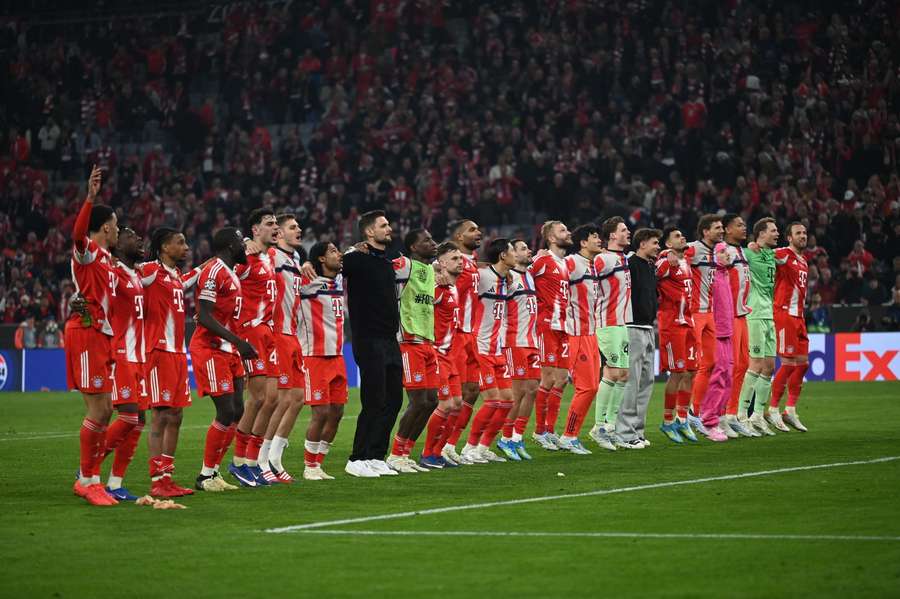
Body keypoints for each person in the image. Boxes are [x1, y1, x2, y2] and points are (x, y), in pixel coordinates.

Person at [66, 166, 120, 506]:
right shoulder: (87, 252)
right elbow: (76, 236)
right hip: (85, 332)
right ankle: (88, 480)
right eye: (114, 225)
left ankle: (90, 476)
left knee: (107, 408)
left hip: (100, 334)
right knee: (99, 410)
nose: (117, 230)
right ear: (104, 227)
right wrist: (89, 198)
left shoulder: (108, 261)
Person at [191, 228, 258, 491]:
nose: (245, 247)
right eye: (242, 242)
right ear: (231, 245)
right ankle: (205, 475)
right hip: (210, 348)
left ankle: (215, 472)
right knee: (226, 410)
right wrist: (239, 342)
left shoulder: (231, 273)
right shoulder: (214, 271)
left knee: (237, 411)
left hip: (229, 350)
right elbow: (205, 316)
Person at [139, 227, 202, 496]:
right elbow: (117, 274)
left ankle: (168, 477)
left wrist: (214, 263)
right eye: (181, 243)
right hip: (158, 351)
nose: (186, 247)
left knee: (176, 415)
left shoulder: (175, 275)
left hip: (177, 353)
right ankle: (157, 481)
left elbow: (191, 277)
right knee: (161, 415)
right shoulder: (149, 270)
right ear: (165, 247)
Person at [343, 210, 403, 478]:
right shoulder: (356, 260)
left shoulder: (385, 262)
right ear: (369, 232)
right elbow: (332, 265)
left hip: (390, 339)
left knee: (393, 399)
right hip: (369, 339)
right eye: (384, 225)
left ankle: (377, 455)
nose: (389, 228)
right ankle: (358, 458)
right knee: (374, 399)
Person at [95, 227, 149, 501]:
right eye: (131, 235)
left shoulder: (137, 274)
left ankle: (115, 483)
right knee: (128, 416)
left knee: (138, 421)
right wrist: (77, 300)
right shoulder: (113, 274)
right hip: (121, 355)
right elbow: (92, 292)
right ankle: (88, 470)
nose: (138, 238)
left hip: (139, 357)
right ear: (117, 246)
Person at [229, 208, 280, 487]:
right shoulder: (245, 258)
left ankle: (252, 461)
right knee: (258, 398)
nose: (275, 227)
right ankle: (238, 462)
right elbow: (223, 276)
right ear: (254, 230)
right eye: (269, 224)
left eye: (276, 223)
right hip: (251, 333)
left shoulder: (270, 256)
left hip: (268, 333)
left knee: (271, 400)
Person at [387, 228, 442, 472]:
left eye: (432, 238)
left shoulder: (430, 269)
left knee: (431, 401)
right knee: (418, 401)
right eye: (426, 240)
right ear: (413, 247)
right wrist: (358, 249)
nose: (433, 243)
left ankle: (406, 453)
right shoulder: (403, 264)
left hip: (427, 341)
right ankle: (395, 455)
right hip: (408, 342)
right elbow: (377, 266)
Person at [460, 238, 515, 463]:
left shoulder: (508, 281)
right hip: (480, 348)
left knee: (508, 401)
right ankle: (469, 447)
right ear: (502, 255)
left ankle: (483, 447)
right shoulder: (482, 277)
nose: (516, 255)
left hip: (498, 349)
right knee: (492, 401)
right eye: (513, 251)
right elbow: (467, 271)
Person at [264, 214, 308, 482]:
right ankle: (261, 458)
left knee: (298, 398)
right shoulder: (271, 256)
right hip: (277, 334)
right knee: (279, 400)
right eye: (292, 227)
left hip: (293, 336)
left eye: (298, 226)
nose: (298, 230)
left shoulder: (295, 260)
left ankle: (275, 458)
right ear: (278, 234)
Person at [298, 242, 347, 480]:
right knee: (320, 413)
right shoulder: (306, 283)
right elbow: (285, 278)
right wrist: (303, 264)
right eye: (333, 251)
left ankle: (319, 463)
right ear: (320, 259)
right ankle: (309, 466)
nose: (338, 254)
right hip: (314, 356)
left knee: (337, 412)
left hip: (337, 356)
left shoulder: (337, 281)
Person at [556, 224, 602, 455]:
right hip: (575, 333)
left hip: (591, 333)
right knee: (585, 387)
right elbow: (547, 271)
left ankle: (569, 435)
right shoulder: (571, 262)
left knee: (592, 388)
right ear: (583, 242)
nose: (599, 240)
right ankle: (568, 436)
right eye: (595, 237)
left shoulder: (593, 266)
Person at [589, 216, 633, 450]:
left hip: (622, 323)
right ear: (612, 235)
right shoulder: (602, 259)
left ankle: (611, 426)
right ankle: (599, 427)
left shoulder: (622, 258)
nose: (628, 233)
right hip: (606, 322)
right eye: (624, 230)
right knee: (613, 372)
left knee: (624, 374)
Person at [441, 220, 484, 458]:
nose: (478, 233)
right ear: (458, 236)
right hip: (454, 336)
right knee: (452, 396)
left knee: (472, 390)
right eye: (472, 230)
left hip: (471, 334)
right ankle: (438, 444)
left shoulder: (473, 263)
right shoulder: (445, 265)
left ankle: (450, 445)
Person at [615, 228, 660, 449]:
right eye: (655, 242)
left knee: (646, 382)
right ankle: (624, 432)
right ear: (642, 244)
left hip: (647, 328)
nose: (658, 246)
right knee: (632, 382)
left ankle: (637, 430)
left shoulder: (649, 266)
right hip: (632, 328)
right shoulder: (630, 264)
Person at [529, 221, 572, 450]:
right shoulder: (542, 260)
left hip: (563, 327)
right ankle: (539, 431)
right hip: (546, 326)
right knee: (547, 379)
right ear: (552, 238)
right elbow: (520, 274)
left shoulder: (564, 263)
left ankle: (550, 430)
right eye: (563, 231)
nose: (568, 233)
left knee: (562, 380)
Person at [422, 242, 465, 465]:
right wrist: (434, 272)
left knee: (457, 403)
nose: (460, 262)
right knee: (445, 405)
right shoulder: (437, 287)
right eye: (454, 259)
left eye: (460, 258)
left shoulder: (453, 286)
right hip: (437, 353)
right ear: (442, 263)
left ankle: (438, 452)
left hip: (450, 355)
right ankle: (428, 453)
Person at [497, 239, 540, 461]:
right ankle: (505, 437)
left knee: (533, 389)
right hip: (514, 340)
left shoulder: (530, 274)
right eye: (523, 249)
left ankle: (517, 436)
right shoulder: (508, 277)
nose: (528, 250)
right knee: (517, 391)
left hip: (532, 341)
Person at [656, 227, 700, 444]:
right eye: (676, 236)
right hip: (673, 324)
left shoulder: (685, 260)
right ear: (667, 244)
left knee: (692, 371)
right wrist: (665, 256)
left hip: (689, 323)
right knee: (677, 373)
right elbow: (650, 271)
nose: (683, 237)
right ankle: (667, 421)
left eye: (683, 234)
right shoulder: (666, 262)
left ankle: (683, 419)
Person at [737, 217, 780, 436]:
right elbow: (730, 252)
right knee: (755, 364)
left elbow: (791, 253)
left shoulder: (773, 254)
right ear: (761, 233)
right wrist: (749, 245)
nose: (777, 233)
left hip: (769, 315)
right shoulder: (748, 253)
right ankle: (741, 415)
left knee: (769, 366)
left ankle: (757, 416)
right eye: (773, 230)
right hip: (753, 315)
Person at [769, 222, 811, 432]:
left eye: (804, 233)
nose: (803, 236)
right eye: (798, 233)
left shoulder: (803, 260)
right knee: (787, 364)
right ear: (789, 237)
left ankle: (790, 410)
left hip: (799, 317)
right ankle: (772, 408)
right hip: (784, 314)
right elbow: (764, 252)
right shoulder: (783, 253)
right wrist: (754, 245)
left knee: (802, 364)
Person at [685, 214, 724, 435]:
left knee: (711, 363)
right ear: (705, 231)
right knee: (695, 365)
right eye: (717, 228)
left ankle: (694, 412)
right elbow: (669, 254)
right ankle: (682, 413)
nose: (721, 231)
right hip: (694, 313)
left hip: (710, 314)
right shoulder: (692, 249)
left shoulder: (716, 252)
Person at [721, 214, 757, 437]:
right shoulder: (723, 250)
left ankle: (732, 414)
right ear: (726, 229)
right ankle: (721, 414)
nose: (744, 228)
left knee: (743, 365)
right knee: (729, 367)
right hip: (729, 317)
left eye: (745, 224)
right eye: (739, 225)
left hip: (742, 315)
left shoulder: (742, 251)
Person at [699, 242, 735, 442]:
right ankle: (708, 421)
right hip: (717, 331)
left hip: (727, 331)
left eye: (726, 251)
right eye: (721, 251)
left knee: (728, 375)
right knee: (719, 375)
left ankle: (719, 417)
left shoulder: (725, 274)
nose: (726, 254)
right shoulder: (711, 274)